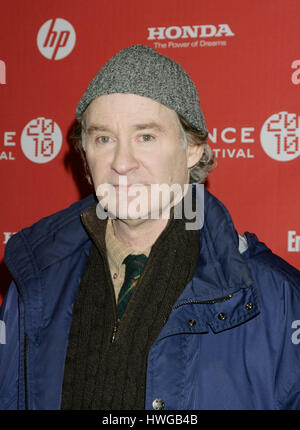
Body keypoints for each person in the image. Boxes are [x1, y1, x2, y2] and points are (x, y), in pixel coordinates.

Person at [0, 45, 300, 411]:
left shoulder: (278, 299)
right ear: (85, 154)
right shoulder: (36, 282)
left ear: (192, 150)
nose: (122, 162)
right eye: (103, 138)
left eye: (146, 136)